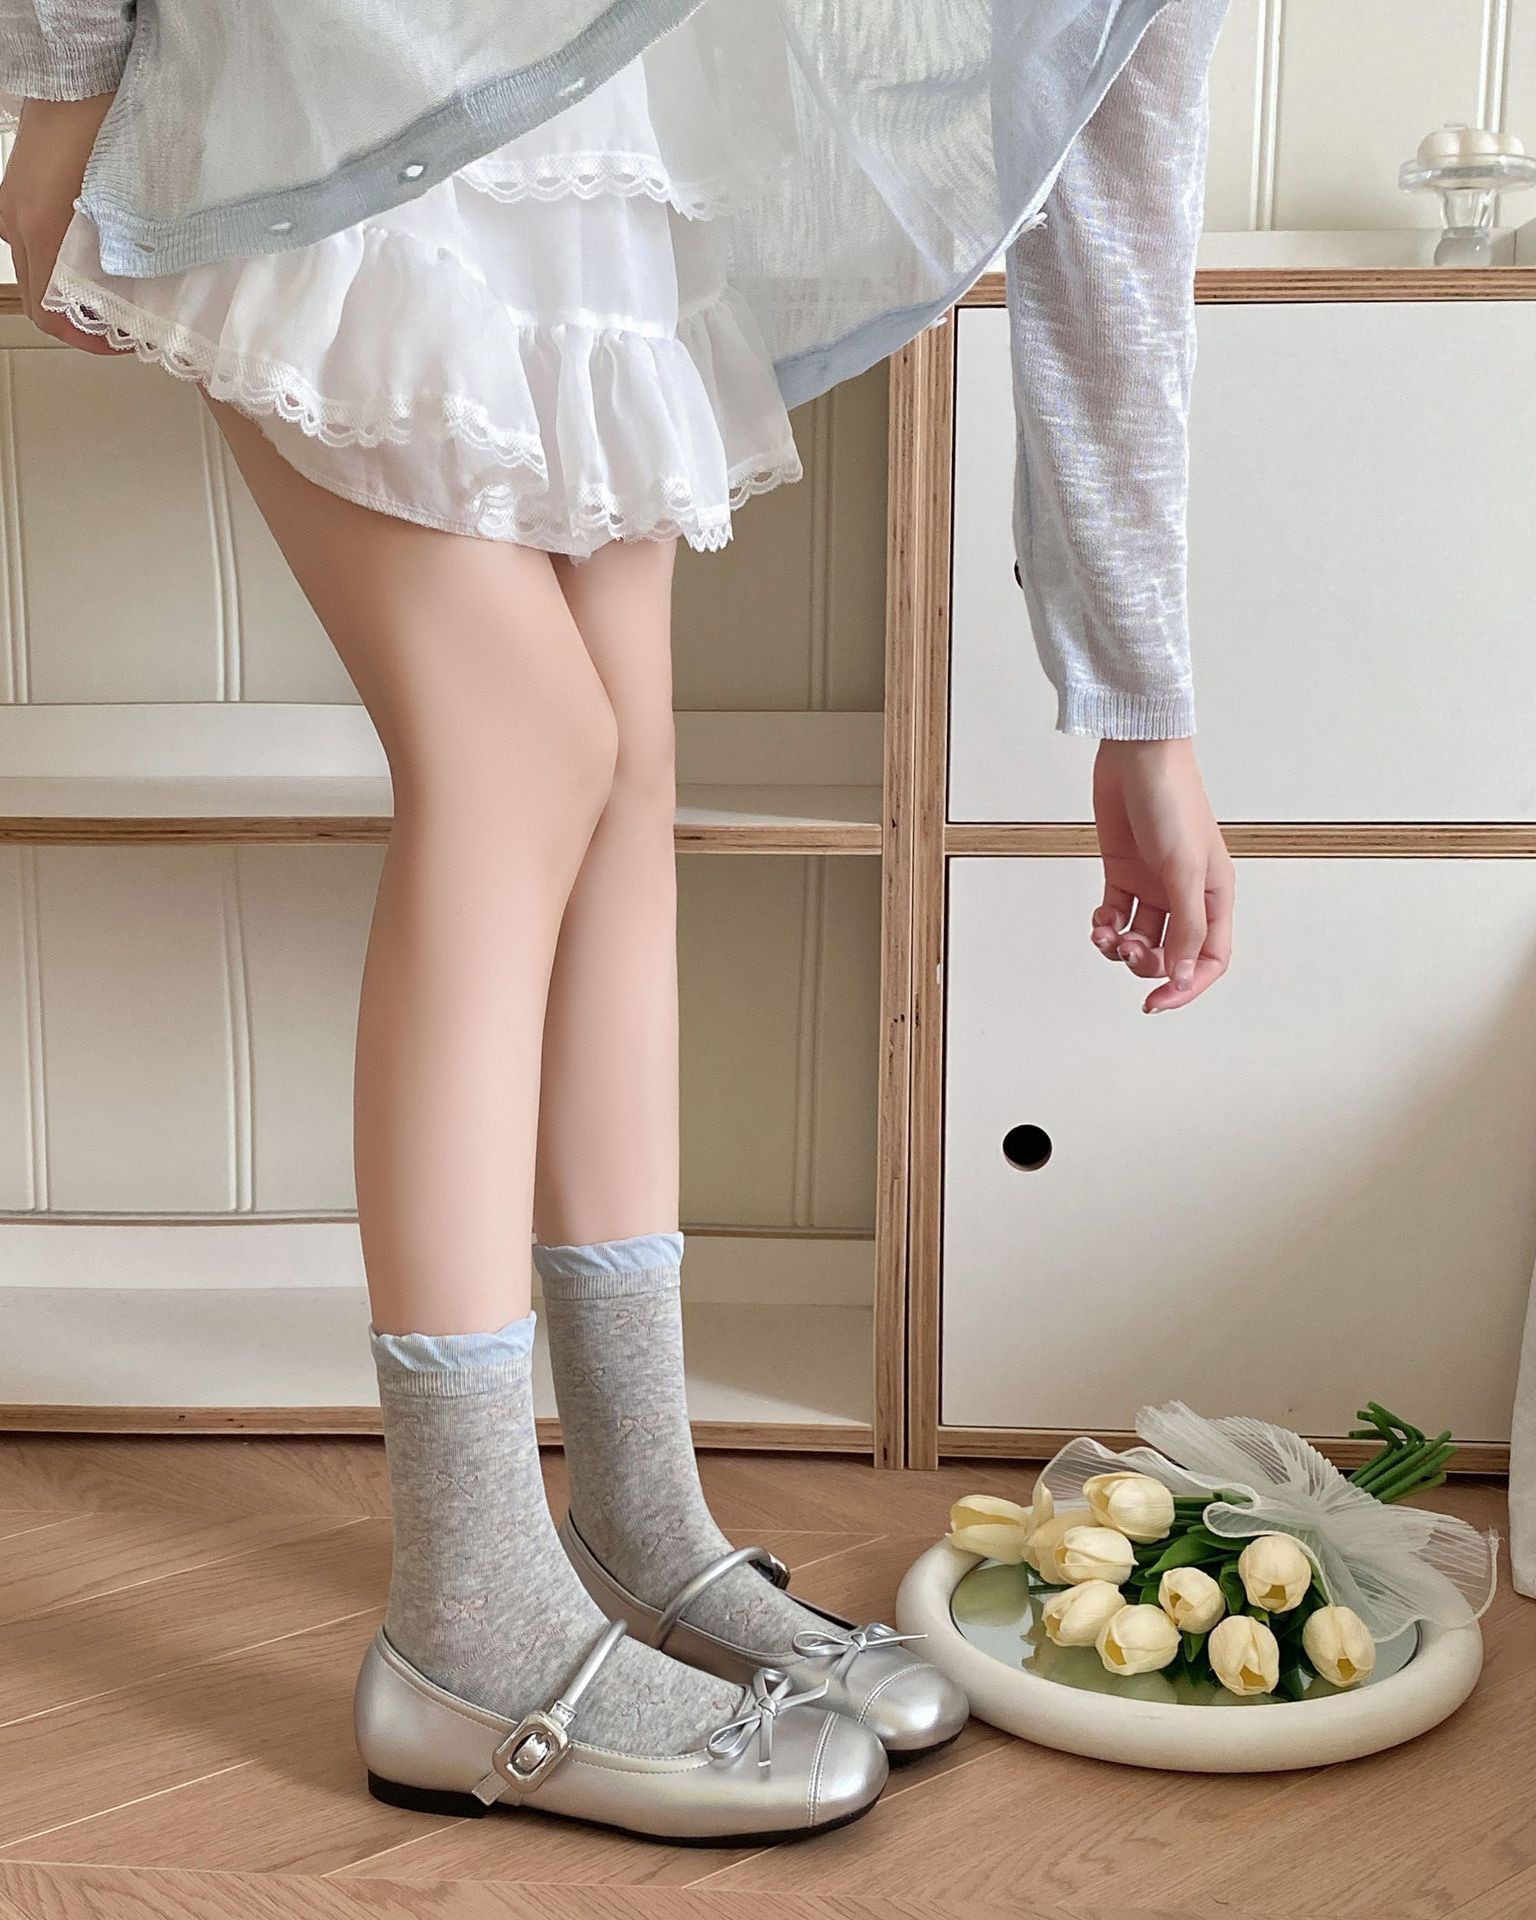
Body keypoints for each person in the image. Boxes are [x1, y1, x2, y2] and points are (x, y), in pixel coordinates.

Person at [0, 0, 1235, 1845]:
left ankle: (640, 1521)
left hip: (594, 134)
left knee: (621, 786)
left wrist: (1148, 712)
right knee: (522, 756)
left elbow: (1106, 156)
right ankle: (468, 1623)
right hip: (318, 85)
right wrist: (58, 96)